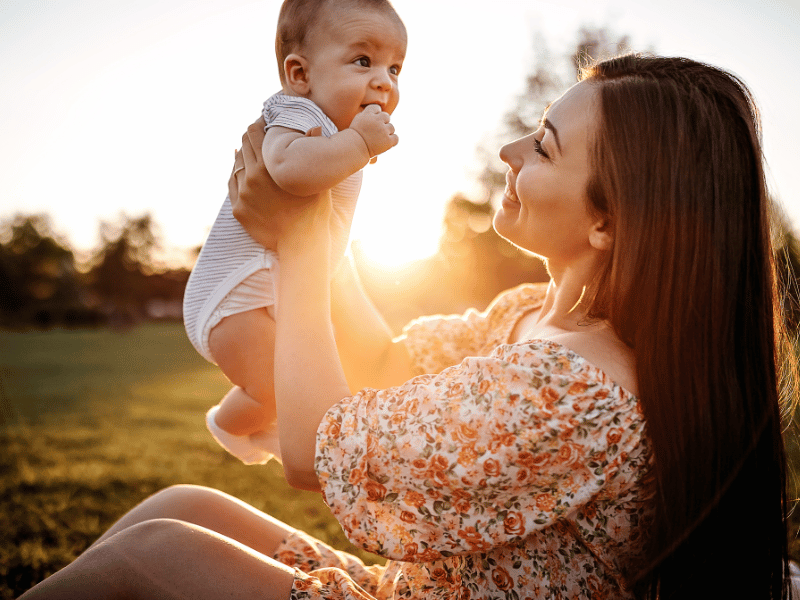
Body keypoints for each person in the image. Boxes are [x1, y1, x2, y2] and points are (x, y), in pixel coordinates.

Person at [20, 54, 796, 599]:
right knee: (181, 506)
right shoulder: (530, 317)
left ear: (607, 223)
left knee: (154, 557)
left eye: (544, 147)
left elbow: (314, 446)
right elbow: (386, 360)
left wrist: (298, 248)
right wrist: (318, 206)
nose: (508, 149)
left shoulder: (574, 388)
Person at [182, 0, 406, 464]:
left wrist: (353, 145)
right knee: (274, 387)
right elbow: (284, 168)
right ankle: (227, 424)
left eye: (395, 67)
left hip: (271, 286)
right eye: (363, 61)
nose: (384, 80)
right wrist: (360, 144)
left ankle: (273, 426)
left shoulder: (335, 132)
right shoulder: (296, 113)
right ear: (300, 75)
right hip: (231, 298)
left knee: (299, 381)